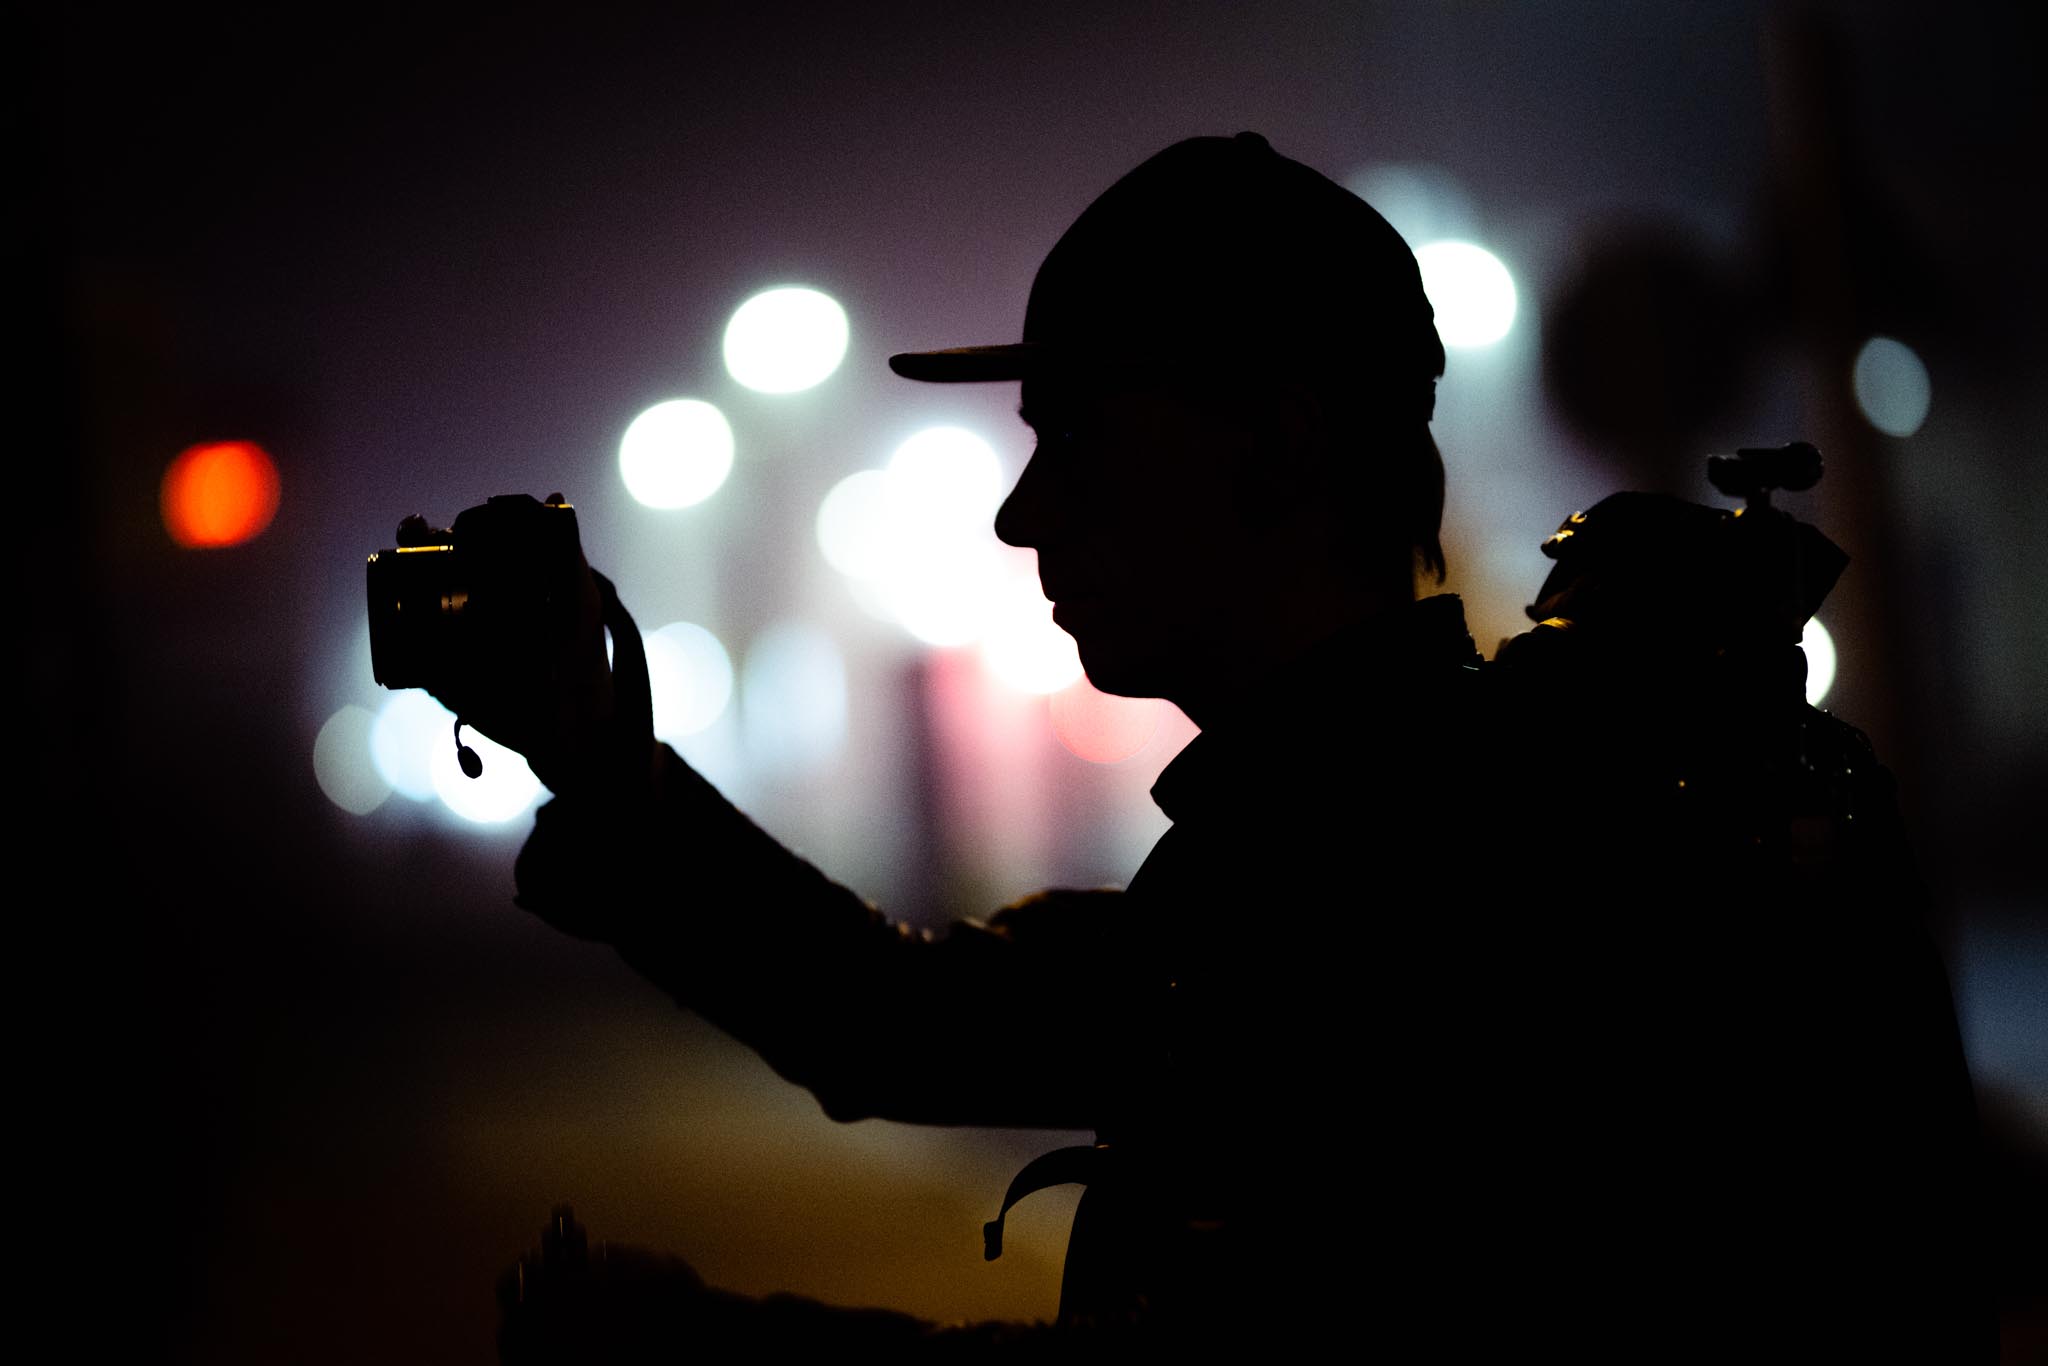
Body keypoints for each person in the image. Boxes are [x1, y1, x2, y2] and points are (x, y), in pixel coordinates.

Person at [450, 134, 1989, 1359]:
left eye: (1084, 442)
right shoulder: (1331, 836)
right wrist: (602, 761)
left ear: (1287, 435)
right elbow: (905, 1017)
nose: (1022, 510)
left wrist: (701, 1346)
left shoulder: (1440, 860)